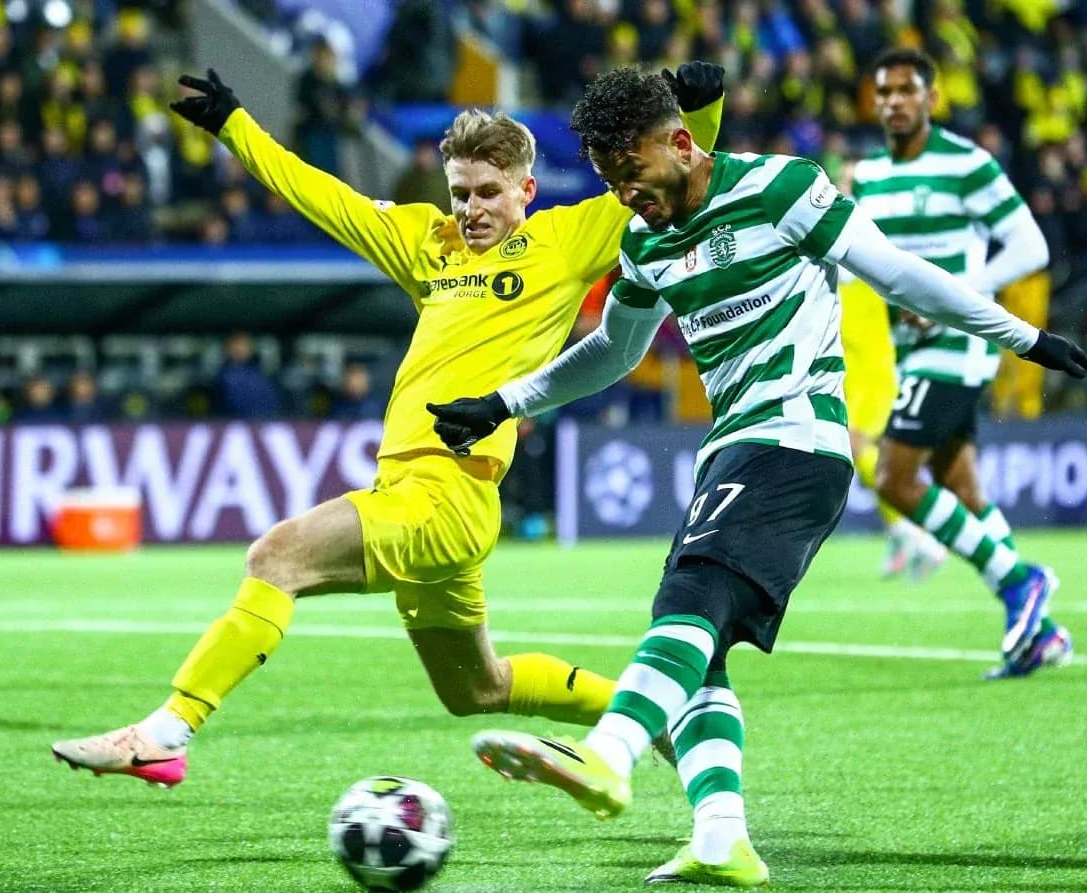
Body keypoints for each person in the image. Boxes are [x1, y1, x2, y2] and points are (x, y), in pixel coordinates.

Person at [427, 66, 1087, 887]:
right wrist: (503, 401)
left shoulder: (782, 189)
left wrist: (1020, 336)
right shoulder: (644, 242)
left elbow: (897, 273)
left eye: (632, 174)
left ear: (680, 142)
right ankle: (720, 836)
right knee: (699, 650)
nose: (626, 195)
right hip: (733, 447)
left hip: (798, 442)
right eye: (608, 181)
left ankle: (608, 754)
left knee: (689, 601)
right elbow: (615, 351)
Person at [50, 65, 725, 788]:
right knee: (478, 689)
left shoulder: (566, 240)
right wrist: (234, 127)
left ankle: (166, 730)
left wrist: (703, 109)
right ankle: (651, 710)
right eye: (460, 192)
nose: (471, 208)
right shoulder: (424, 243)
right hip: (413, 491)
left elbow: (680, 179)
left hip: (449, 496)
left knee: (276, 557)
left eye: (489, 192)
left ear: (527, 189)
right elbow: (322, 196)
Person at [856, 48, 1070, 680]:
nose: (894, 101)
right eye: (884, 91)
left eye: (906, 90)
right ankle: (1042, 633)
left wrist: (958, 291)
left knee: (894, 477)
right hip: (912, 349)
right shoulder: (868, 176)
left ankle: (1022, 582)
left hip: (959, 345)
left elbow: (1029, 245)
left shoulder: (967, 164)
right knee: (962, 488)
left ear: (932, 98)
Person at [835, 160, 945, 581]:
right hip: (853, 367)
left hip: (874, 366)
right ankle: (903, 532)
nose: (839, 186)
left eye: (848, 181)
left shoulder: (862, 232)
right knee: (861, 454)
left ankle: (920, 530)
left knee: (859, 448)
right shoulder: (833, 234)